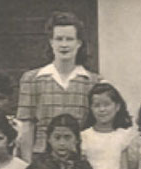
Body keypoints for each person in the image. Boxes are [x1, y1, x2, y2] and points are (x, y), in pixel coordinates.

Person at [17, 11, 101, 161]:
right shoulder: (32, 79)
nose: (64, 44)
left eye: (69, 39)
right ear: (51, 42)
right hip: (42, 156)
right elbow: (27, 127)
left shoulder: (93, 81)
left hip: (79, 158)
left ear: (79, 43)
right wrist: (28, 164)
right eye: (59, 39)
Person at [81, 82, 133, 169]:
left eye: (107, 104)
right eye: (96, 105)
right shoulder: (84, 136)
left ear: (117, 106)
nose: (102, 109)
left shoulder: (124, 135)